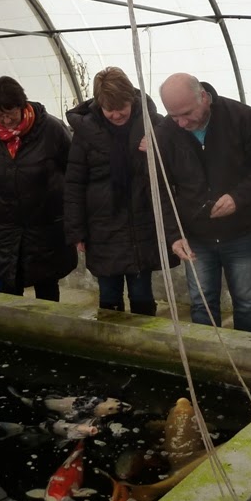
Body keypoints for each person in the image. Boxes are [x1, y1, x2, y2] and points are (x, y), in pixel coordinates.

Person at [156, 73, 251, 333]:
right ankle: (208, 360)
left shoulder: (242, 117)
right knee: (201, 304)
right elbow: (159, 188)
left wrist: (239, 197)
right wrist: (173, 235)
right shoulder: (166, 132)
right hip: (195, 236)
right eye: (173, 115)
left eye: (186, 113)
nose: (181, 122)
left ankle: (247, 359)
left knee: (247, 303)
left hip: (241, 232)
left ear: (203, 97)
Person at [64, 67, 176, 316]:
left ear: (131, 100)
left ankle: (144, 340)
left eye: (121, 108)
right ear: (99, 105)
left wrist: (157, 152)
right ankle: (113, 340)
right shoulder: (85, 133)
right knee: (109, 292)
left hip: (141, 221)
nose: (115, 115)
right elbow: (74, 183)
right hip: (102, 226)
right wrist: (76, 231)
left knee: (141, 292)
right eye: (108, 109)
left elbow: (174, 171)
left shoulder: (153, 124)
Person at [0, 76, 77, 299]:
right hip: (4, 225)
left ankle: (48, 329)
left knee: (46, 283)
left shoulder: (51, 129)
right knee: (8, 281)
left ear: (22, 105)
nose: (6, 120)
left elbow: (72, 169)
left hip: (45, 224)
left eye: (10, 112)